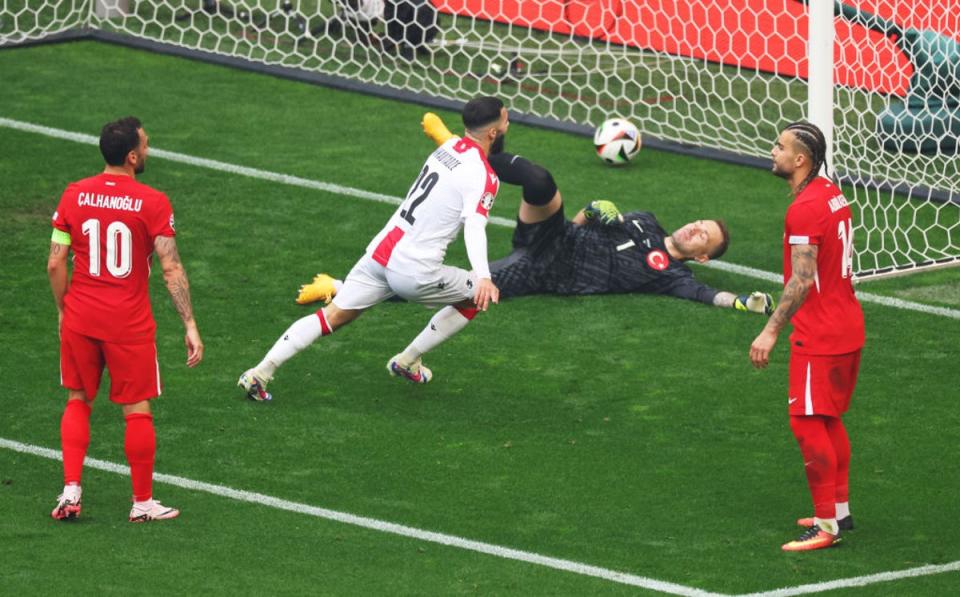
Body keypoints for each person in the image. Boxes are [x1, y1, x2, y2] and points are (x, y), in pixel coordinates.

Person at [297, 112, 774, 313]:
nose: (695, 229)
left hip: (550, 271)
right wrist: (589, 212)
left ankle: (341, 289)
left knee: (460, 290)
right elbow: (586, 220)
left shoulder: (670, 275)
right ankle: (464, 150)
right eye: (699, 223)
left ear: (704, 255)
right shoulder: (647, 220)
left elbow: (704, 296)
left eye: (703, 237)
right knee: (541, 181)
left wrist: (741, 303)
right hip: (557, 235)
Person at [238, 96, 506, 401]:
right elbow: (474, 225)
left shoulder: (447, 148)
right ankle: (407, 360)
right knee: (475, 297)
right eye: (506, 119)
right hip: (416, 270)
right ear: (494, 133)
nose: (508, 123)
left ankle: (260, 372)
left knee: (332, 315)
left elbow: (457, 153)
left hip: (381, 252)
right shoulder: (485, 176)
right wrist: (483, 276)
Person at [48, 116, 204, 523]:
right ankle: (142, 503)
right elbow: (171, 268)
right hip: (128, 324)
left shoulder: (74, 194)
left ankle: (70, 491)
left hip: (80, 318)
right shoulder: (153, 202)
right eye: (146, 145)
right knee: (137, 410)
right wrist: (189, 324)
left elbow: (55, 262)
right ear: (132, 156)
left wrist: (65, 309)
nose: (149, 150)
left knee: (78, 399)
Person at [749, 122, 865, 552]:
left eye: (780, 147)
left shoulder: (804, 209)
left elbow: (802, 279)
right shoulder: (830, 192)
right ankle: (839, 509)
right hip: (847, 322)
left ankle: (825, 527)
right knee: (828, 418)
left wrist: (770, 330)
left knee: (805, 422)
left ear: (801, 159)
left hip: (821, 333)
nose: (773, 151)